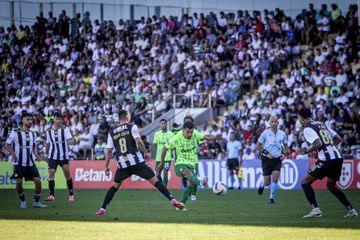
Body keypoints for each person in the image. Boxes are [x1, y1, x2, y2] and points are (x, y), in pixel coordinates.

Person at [96, 110, 185, 215]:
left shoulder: (112, 132)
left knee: (115, 186)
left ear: (119, 118)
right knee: (155, 181)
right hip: (137, 161)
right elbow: (138, 141)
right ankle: (172, 200)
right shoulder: (132, 127)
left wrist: (106, 166)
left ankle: (102, 208)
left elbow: (109, 151)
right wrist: (146, 152)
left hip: (123, 164)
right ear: (127, 117)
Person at [297, 108, 358, 218]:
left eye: (299, 119)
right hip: (338, 158)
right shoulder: (321, 124)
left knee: (305, 182)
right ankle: (351, 210)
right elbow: (338, 139)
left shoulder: (307, 128)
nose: (299, 121)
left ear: (302, 118)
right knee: (331, 186)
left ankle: (315, 209)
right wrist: (330, 148)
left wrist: (306, 151)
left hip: (327, 160)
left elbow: (318, 143)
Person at [157, 121, 217, 210]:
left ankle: (181, 205)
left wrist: (214, 137)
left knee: (190, 184)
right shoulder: (176, 138)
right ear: (182, 130)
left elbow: (205, 136)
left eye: (191, 132)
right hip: (179, 164)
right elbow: (164, 148)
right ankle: (201, 182)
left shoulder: (195, 134)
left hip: (191, 163)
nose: (190, 134)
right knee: (187, 172)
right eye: (187, 132)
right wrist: (162, 162)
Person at [5, 113, 47, 208]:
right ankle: (23, 201)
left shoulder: (33, 133)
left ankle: (36, 202)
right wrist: (13, 154)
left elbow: (33, 146)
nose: (30, 121)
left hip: (30, 163)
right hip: (18, 163)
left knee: (38, 181)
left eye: (31, 120)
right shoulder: (15, 132)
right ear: (23, 120)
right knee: (19, 182)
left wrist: (36, 153)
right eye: (28, 119)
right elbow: (7, 145)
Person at [256, 115, 290, 203]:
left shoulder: (282, 133)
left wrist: (285, 154)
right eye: (272, 121)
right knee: (267, 182)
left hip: (277, 159)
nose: (274, 123)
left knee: (275, 177)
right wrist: (267, 154)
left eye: (275, 121)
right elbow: (258, 146)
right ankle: (262, 185)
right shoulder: (265, 133)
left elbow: (286, 146)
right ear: (269, 123)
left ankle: (271, 198)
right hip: (266, 159)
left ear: (278, 123)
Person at [44, 112, 75, 202]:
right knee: (51, 173)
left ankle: (71, 194)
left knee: (67, 174)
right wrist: (46, 154)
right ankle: (51, 195)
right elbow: (47, 143)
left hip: (63, 156)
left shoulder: (65, 129)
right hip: (52, 156)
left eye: (60, 119)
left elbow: (70, 140)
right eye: (57, 119)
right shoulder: (49, 130)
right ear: (54, 119)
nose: (59, 121)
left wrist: (71, 141)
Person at [153, 119, 174, 187]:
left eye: (164, 123)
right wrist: (150, 152)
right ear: (160, 125)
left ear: (166, 124)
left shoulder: (171, 134)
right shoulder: (157, 134)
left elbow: (173, 145)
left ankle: (164, 188)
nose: (163, 125)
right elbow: (154, 144)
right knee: (157, 173)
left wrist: (174, 154)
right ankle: (162, 186)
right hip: (158, 157)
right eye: (162, 123)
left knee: (165, 172)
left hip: (167, 157)